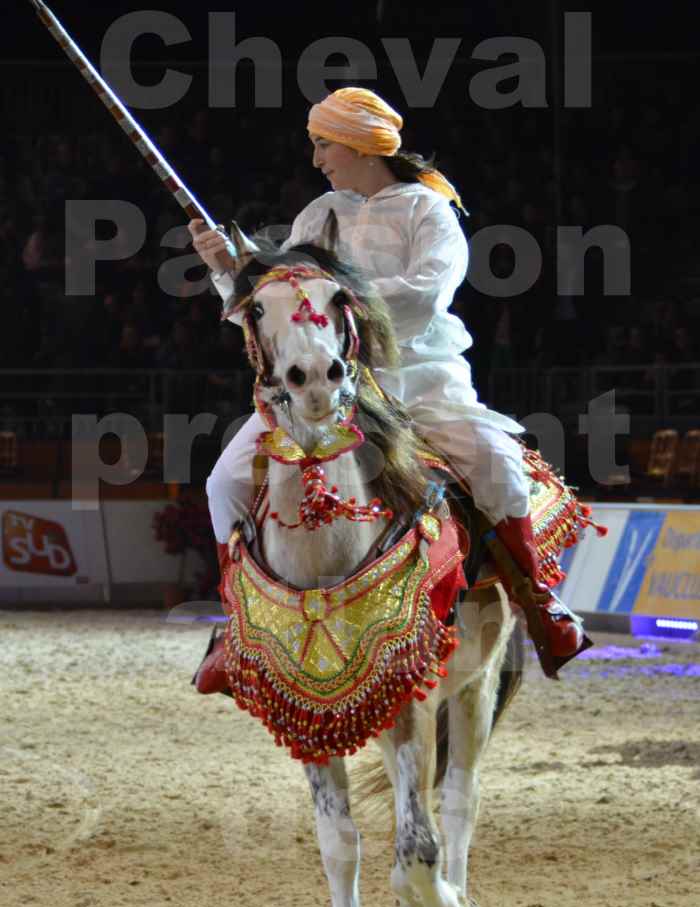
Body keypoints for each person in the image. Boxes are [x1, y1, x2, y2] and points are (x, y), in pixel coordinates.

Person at [189, 87, 586, 668]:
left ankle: (540, 603)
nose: (317, 159)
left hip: (421, 382)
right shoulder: (317, 215)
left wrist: (339, 299)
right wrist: (229, 271)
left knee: (497, 464)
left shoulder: (428, 211)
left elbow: (427, 295)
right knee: (223, 482)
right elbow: (276, 305)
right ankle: (238, 621)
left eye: (324, 145)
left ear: (359, 145)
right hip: (329, 391)